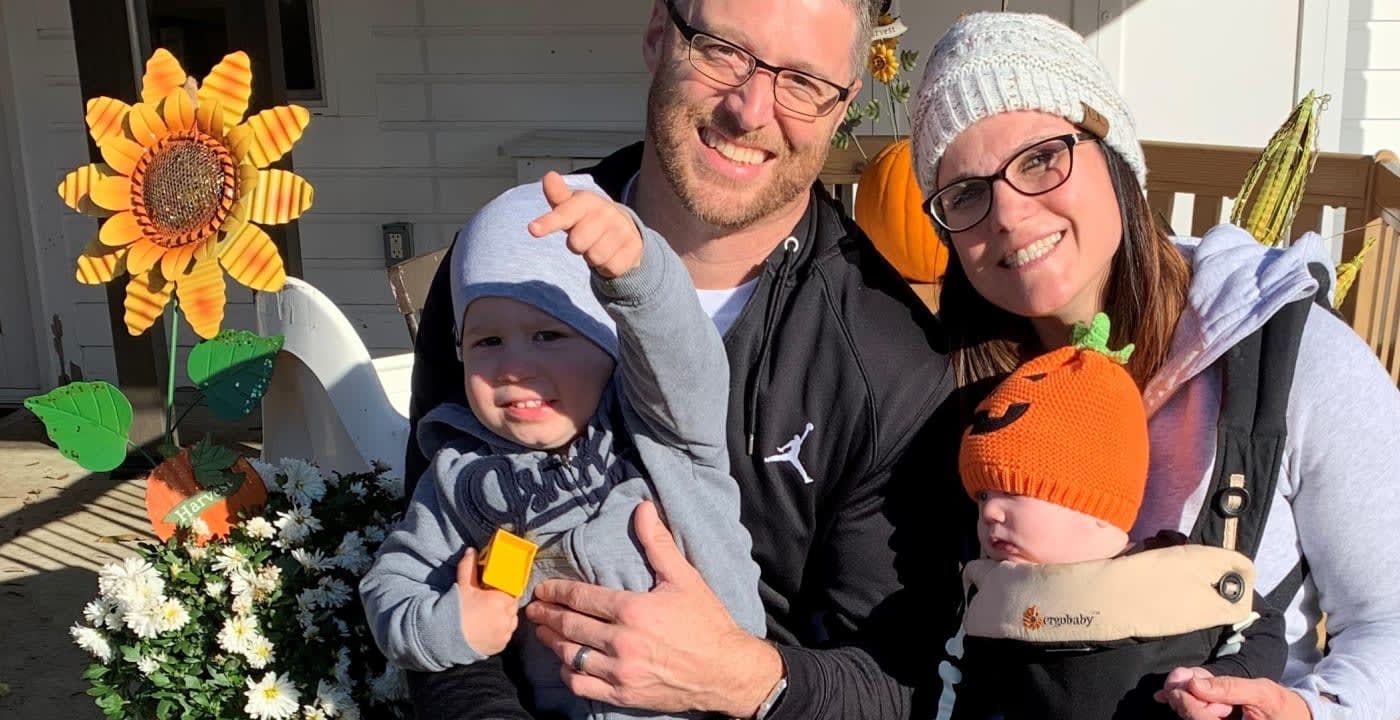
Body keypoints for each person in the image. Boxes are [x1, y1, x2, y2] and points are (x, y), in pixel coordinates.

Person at [402, 1, 963, 719]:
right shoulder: (512, 266)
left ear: (844, 102)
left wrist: (743, 678)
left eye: (802, 81)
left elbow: (898, 683)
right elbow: (435, 580)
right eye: (723, 50)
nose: (751, 109)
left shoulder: (890, 364)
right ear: (658, 39)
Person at [911, 11, 1400, 720]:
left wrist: (1309, 710)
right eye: (965, 193)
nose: (1009, 214)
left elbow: (1389, 625)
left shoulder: (1292, 365)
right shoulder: (949, 390)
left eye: (1042, 157)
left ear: (1115, 156)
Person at [360, 173, 766, 720]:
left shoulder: (660, 424)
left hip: (711, 704)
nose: (514, 367)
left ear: (608, 344)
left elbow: (686, 360)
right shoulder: (462, 478)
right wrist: (453, 627)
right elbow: (391, 585)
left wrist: (639, 275)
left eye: (549, 335)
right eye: (487, 341)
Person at [947, 313, 1285, 719]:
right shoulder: (994, 596)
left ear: (1094, 505)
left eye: (1016, 490)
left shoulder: (1176, 571)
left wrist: (1218, 681)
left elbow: (1258, 626)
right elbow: (955, 688)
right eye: (983, 494)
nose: (990, 511)